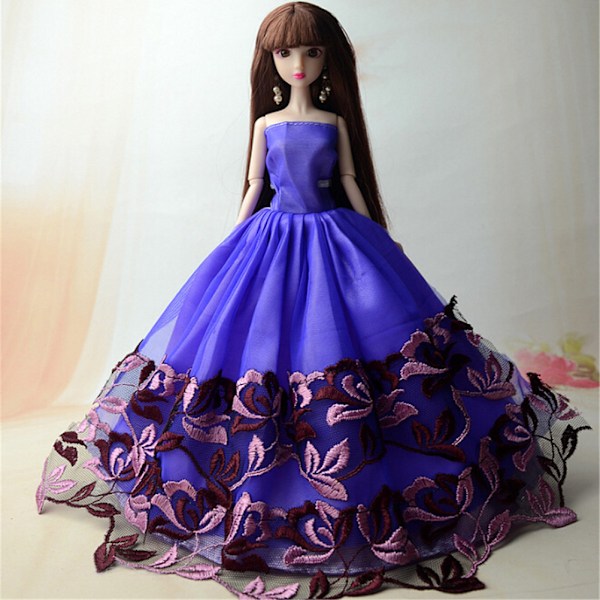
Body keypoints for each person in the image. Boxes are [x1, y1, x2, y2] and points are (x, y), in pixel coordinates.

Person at [36, 3, 590, 598]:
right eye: (284, 52)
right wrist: (235, 239)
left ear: (329, 59)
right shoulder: (266, 124)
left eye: (311, 51)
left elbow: (349, 180)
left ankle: (374, 463)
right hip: (271, 235)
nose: (297, 63)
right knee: (257, 344)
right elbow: (256, 184)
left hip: (336, 234)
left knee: (361, 336)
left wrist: (378, 234)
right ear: (269, 61)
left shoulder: (333, 123)